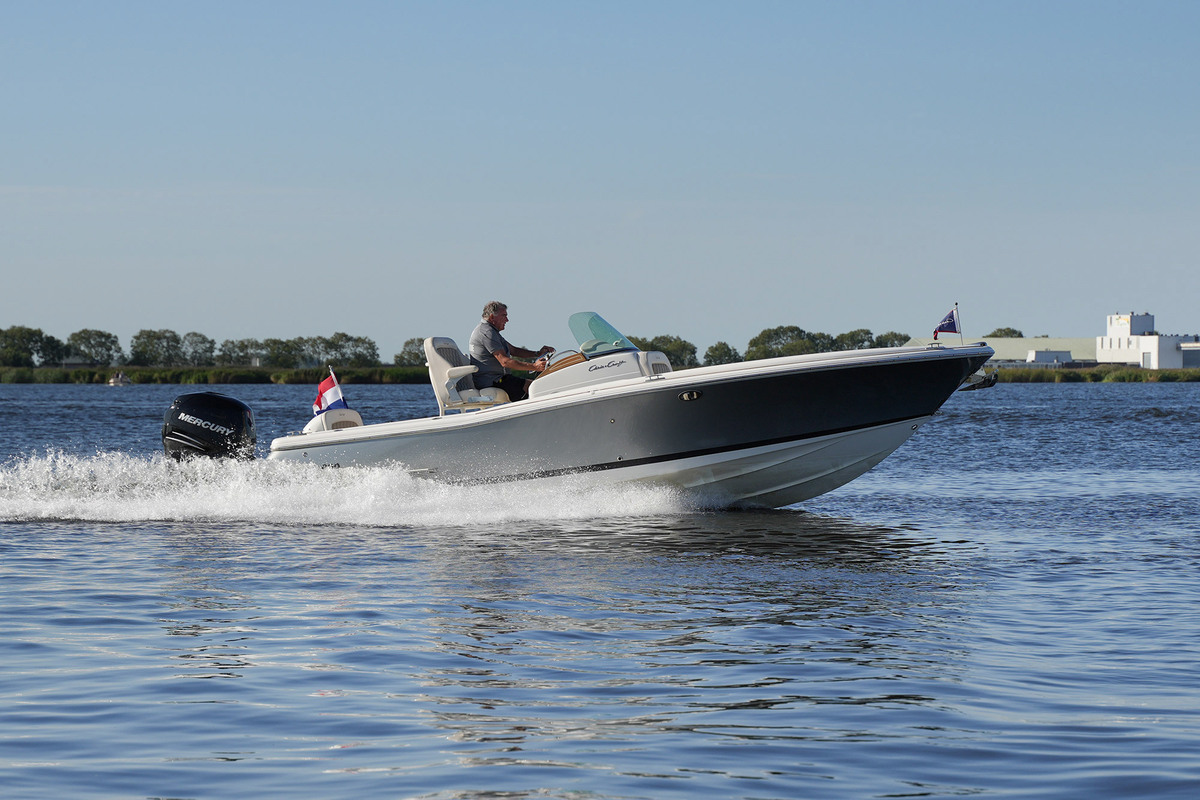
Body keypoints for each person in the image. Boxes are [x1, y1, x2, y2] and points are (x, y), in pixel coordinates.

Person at [468, 301, 554, 401]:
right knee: (536, 388)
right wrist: (534, 366)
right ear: (492, 317)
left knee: (536, 387)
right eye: (504, 315)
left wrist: (537, 354)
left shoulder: (492, 331)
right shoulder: (487, 332)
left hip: (500, 379)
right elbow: (504, 361)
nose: (507, 320)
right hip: (492, 381)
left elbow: (513, 350)